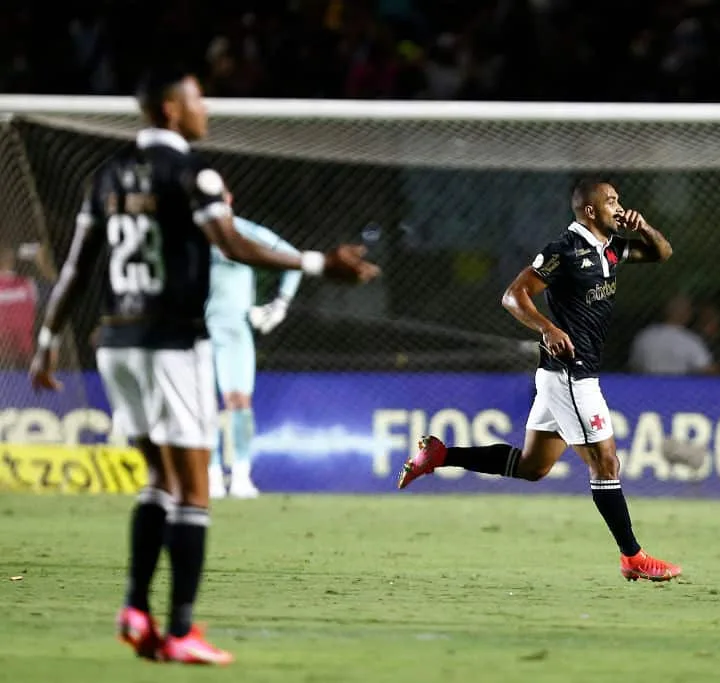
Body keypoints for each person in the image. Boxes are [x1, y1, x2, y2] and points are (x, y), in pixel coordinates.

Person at [28, 66, 379, 665]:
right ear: (170, 109)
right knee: (193, 488)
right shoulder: (195, 173)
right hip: (174, 342)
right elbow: (233, 244)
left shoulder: (106, 176)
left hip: (115, 344)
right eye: (196, 99)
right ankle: (182, 628)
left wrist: (45, 342)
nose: (205, 108)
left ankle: (136, 608)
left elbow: (75, 270)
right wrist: (321, 264)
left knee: (158, 480)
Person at [397, 179, 681, 582]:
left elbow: (662, 253)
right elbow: (514, 296)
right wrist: (547, 328)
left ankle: (441, 455)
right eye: (612, 202)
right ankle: (632, 557)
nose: (619, 207)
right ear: (590, 211)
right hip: (571, 375)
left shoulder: (611, 249)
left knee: (532, 466)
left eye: (619, 200)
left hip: (565, 377)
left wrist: (644, 226)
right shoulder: (563, 251)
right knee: (606, 462)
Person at [206, 198, 302, 499]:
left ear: (229, 201)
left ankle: (241, 475)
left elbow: (293, 258)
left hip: (234, 329)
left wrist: (280, 304)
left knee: (239, 402)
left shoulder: (244, 231)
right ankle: (210, 474)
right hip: (195, 330)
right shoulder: (187, 232)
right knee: (200, 404)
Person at [628, 293, 713, 375]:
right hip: (678, 388)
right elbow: (706, 369)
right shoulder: (690, 340)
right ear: (686, 314)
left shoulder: (644, 336)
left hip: (648, 387)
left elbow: (634, 367)